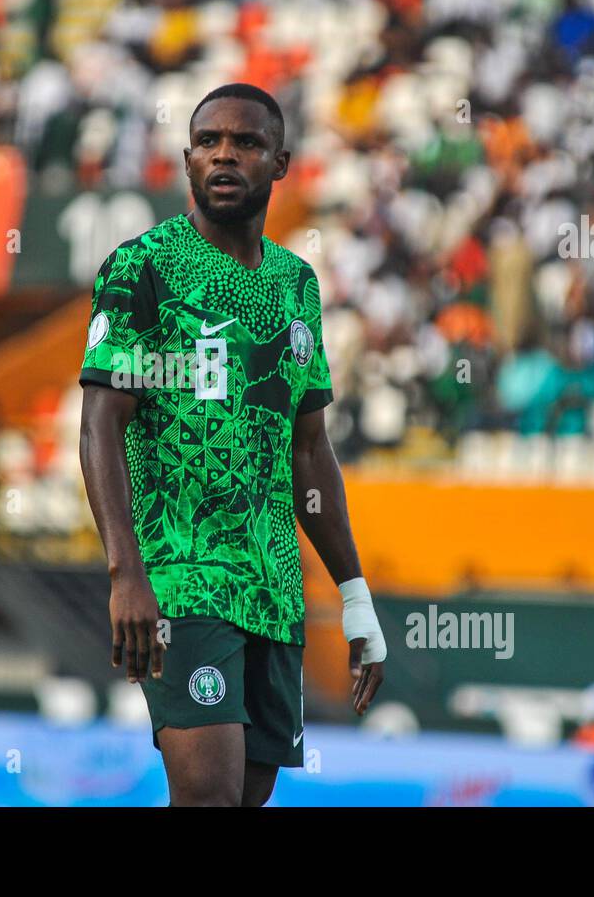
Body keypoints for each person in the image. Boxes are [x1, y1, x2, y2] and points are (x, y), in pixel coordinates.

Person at [78, 83, 388, 807]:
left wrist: (355, 596)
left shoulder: (295, 285)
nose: (224, 153)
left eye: (245, 143)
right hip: (181, 580)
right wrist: (127, 570)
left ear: (280, 163)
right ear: (187, 159)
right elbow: (100, 422)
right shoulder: (143, 268)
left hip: (272, 590)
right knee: (207, 799)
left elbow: (310, 451)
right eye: (208, 141)